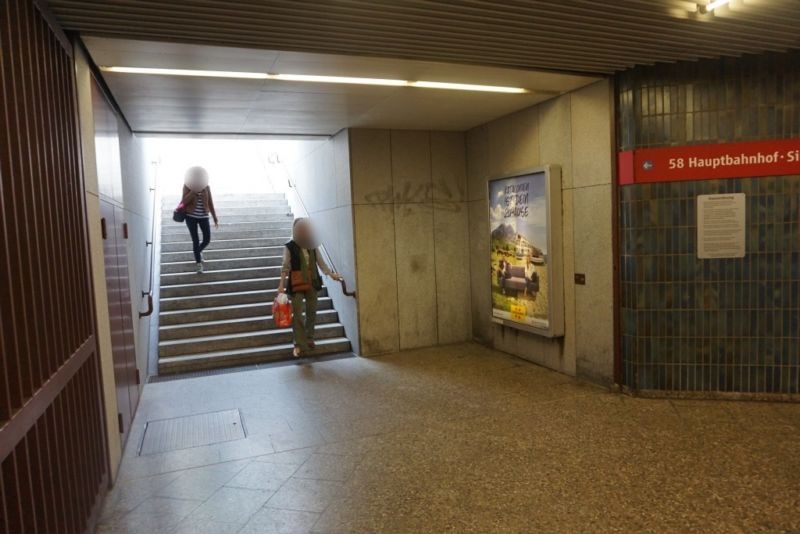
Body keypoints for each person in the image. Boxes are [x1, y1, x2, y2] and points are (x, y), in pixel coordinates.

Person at [277, 218, 342, 357]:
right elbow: (285, 266)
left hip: (312, 282)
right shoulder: (290, 246)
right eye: (300, 228)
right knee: (298, 315)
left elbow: (321, 262)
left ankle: (309, 338)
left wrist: (330, 274)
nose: (303, 230)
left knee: (311, 312)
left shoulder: (312, 244)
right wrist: (281, 284)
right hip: (296, 284)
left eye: (305, 228)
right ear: (295, 230)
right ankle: (298, 343)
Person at [181, 166, 218, 273]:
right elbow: (184, 201)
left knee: (207, 239)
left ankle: (198, 251)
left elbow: (210, 202)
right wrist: (193, 191)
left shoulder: (206, 187)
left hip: (204, 217)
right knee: (196, 240)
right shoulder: (187, 186)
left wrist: (215, 217)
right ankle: (198, 264)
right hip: (190, 217)